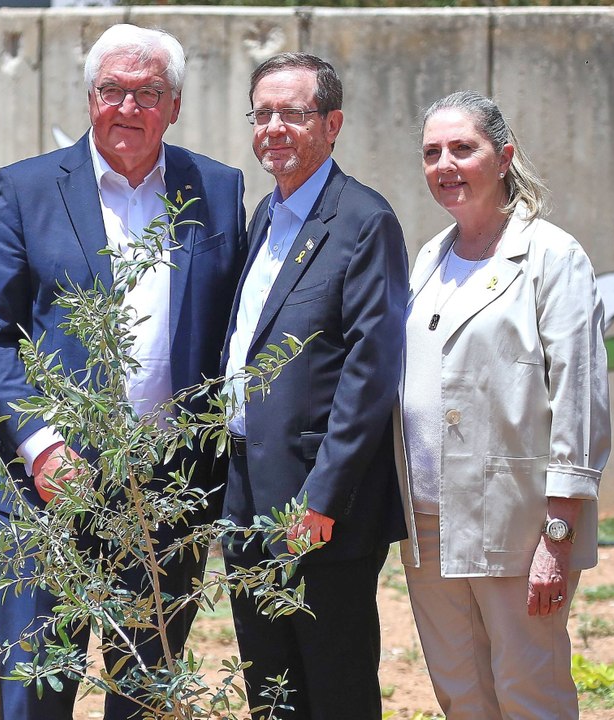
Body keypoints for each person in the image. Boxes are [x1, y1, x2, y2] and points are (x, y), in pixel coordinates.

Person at [0, 23, 247, 720]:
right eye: (112, 90)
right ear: (89, 96)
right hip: (46, 493)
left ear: (174, 105)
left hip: (166, 496)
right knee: (36, 690)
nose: (129, 107)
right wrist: (39, 444)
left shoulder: (218, 189)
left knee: (145, 695)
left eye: (148, 92)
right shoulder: (28, 189)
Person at [397, 90, 611, 719]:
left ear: (504, 155)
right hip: (429, 522)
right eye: (432, 152)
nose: (446, 165)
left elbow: (579, 396)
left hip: (517, 524)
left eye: (464, 148)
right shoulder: (427, 259)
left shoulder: (553, 256)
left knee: (528, 691)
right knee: (460, 694)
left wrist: (558, 534)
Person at [220, 52, 408, 719]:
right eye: (263, 112)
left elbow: (371, 371)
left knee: (334, 688)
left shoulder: (363, 221)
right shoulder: (262, 219)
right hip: (243, 491)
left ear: (332, 124)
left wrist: (322, 499)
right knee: (269, 686)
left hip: (318, 507)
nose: (274, 127)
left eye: (293, 114)